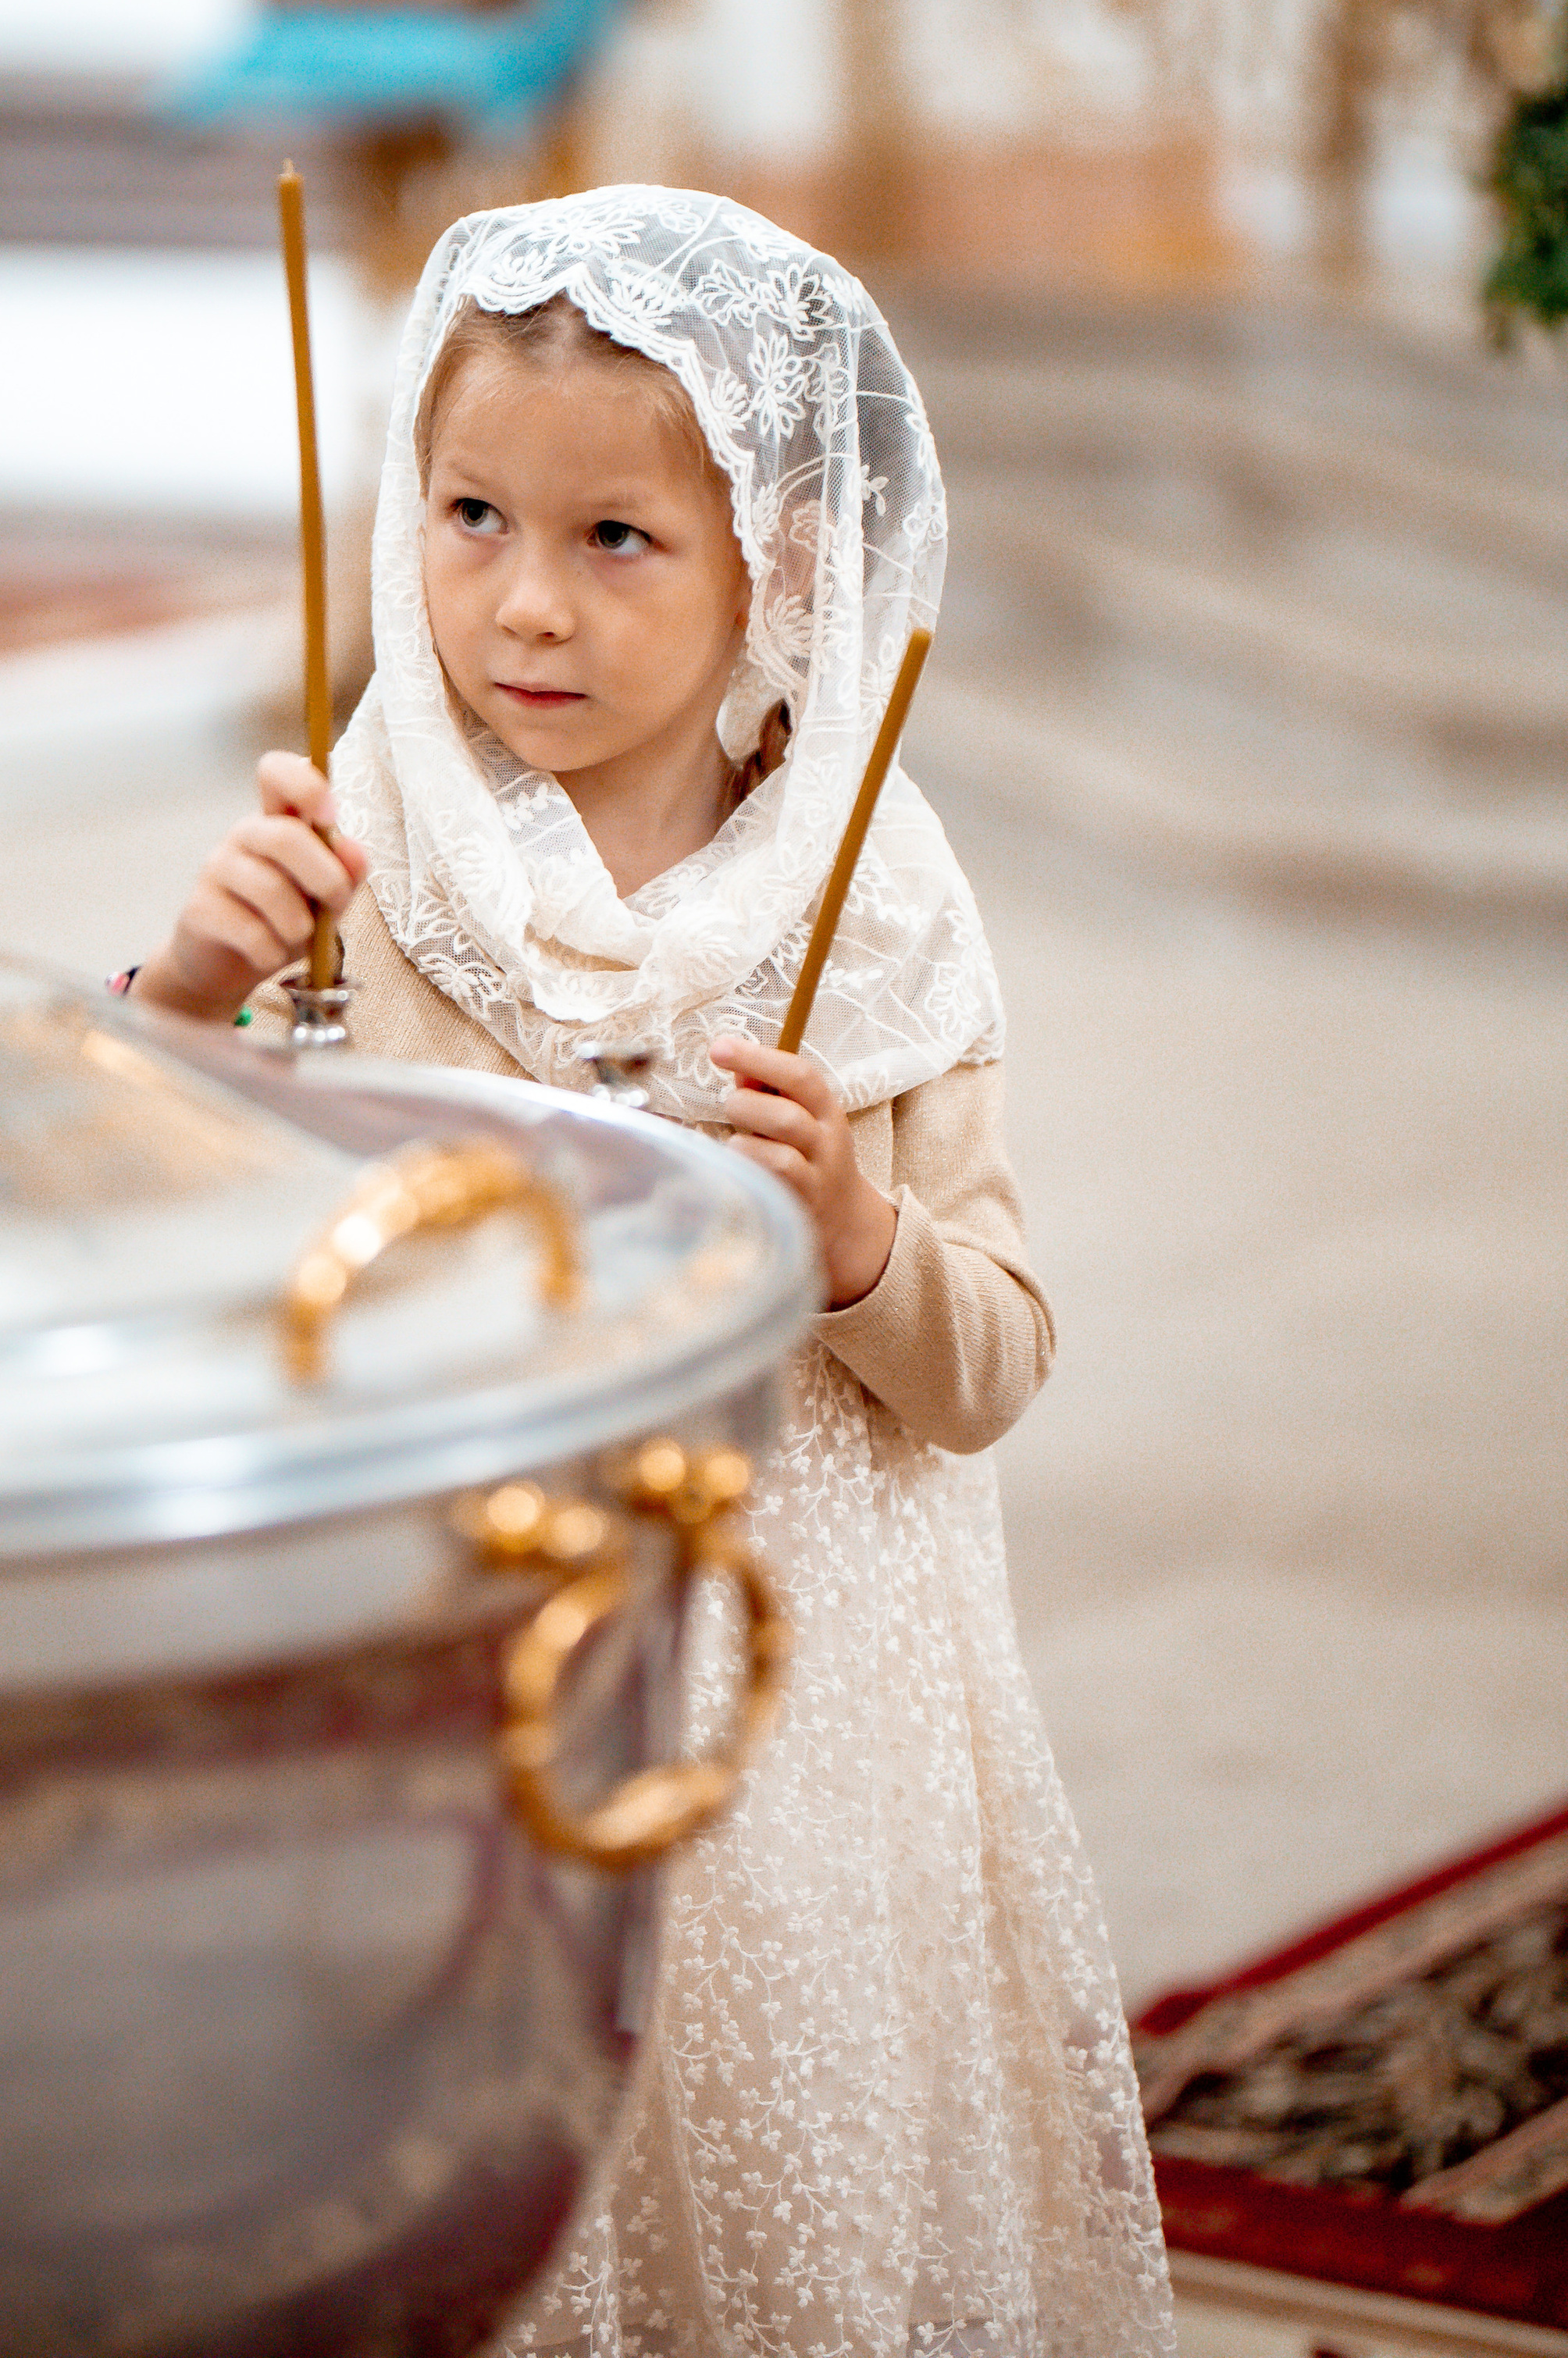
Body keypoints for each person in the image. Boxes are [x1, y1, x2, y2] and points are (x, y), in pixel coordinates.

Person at [126, 187, 1177, 2358]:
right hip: (460, 1650)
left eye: (618, 540)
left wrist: (857, 1244)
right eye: (472, 512)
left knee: (789, 2183)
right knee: (501, 2168)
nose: (523, 600)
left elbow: (990, 1367)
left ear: (778, 562)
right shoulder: (365, 855)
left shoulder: (866, 895)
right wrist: (195, 990)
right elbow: (160, 1221)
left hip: (800, 1697)